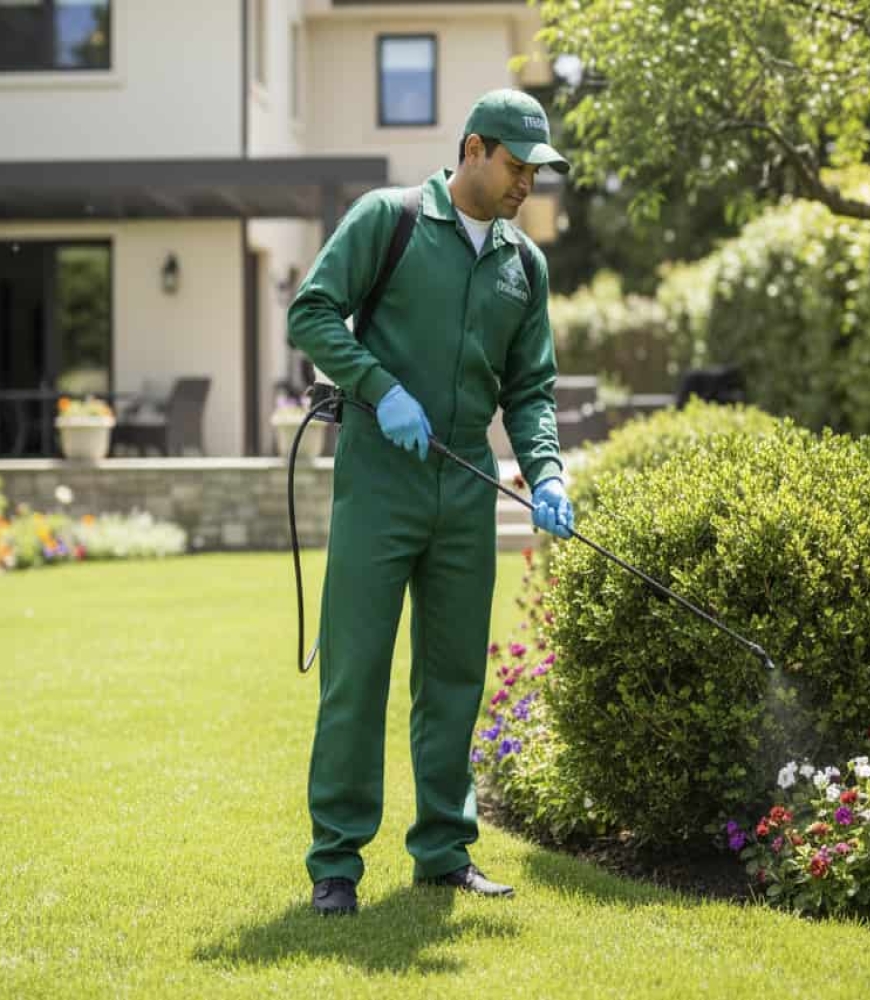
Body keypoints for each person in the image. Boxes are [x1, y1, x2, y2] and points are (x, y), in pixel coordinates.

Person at [287, 88, 575, 916]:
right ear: (474, 149)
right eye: (517, 166)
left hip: (466, 489)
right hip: (380, 483)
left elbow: (531, 388)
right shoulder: (391, 219)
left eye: (537, 172)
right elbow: (311, 313)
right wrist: (380, 388)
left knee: (453, 680)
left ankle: (444, 851)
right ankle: (336, 863)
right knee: (356, 675)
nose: (527, 184)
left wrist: (547, 473)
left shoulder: (525, 265)